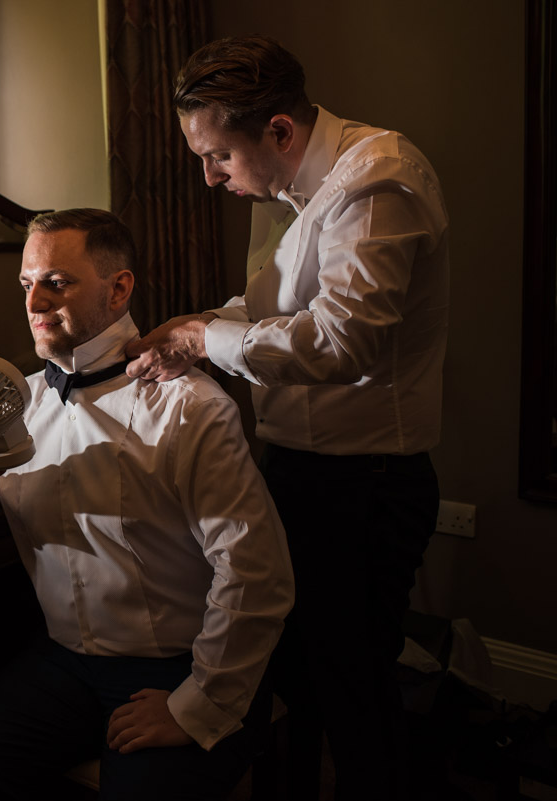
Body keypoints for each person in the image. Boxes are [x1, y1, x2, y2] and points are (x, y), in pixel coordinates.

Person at [124, 35, 449, 800]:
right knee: (300, 683)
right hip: (302, 474)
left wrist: (206, 338)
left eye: (218, 157)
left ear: (277, 131)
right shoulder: (291, 190)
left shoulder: (378, 180)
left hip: (365, 489)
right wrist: (191, 327)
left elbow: (341, 340)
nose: (209, 177)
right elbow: (273, 307)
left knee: (355, 697)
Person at [0, 209, 294, 801]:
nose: (35, 302)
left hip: (183, 663)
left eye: (56, 283)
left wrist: (196, 703)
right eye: (26, 284)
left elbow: (257, 574)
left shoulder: (189, 409)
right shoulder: (23, 402)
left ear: (119, 289)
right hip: (65, 663)